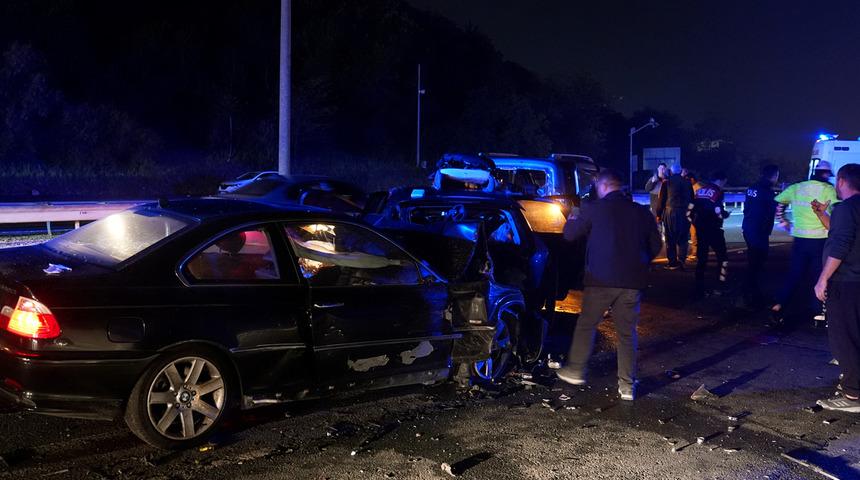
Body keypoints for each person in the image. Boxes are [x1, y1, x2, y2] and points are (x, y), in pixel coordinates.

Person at [556, 168, 662, 401]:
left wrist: (573, 216)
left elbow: (570, 235)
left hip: (600, 280)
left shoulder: (593, 209)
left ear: (603, 186)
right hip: (632, 282)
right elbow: (655, 246)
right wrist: (639, 262)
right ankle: (626, 386)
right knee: (626, 334)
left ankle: (575, 370)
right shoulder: (641, 212)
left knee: (587, 324)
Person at [815, 164, 860, 412]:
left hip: (846, 281)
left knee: (844, 338)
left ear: (842, 181)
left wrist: (823, 279)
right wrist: (823, 215)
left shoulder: (845, 208)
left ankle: (853, 395)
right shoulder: (850, 211)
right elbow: (844, 233)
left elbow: (841, 245)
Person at [770, 161, 838, 325]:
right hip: (820, 241)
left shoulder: (797, 187)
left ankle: (778, 306)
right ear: (826, 174)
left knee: (794, 274)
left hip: (800, 240)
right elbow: (837, 211)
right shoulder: (828, 189)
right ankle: (818, 314)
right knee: (819, 277)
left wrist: (783, 221)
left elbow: (779, 203)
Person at [742, 165, 780, 308]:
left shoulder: (752, 188)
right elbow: (771, 212)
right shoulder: (768, 192)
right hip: (759, 231)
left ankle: (750, 292)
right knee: (757, 263)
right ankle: (750, 294)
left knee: (753, 261)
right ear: (774, 175)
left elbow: (747, 207)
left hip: (748, 227)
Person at [690, 171, 730, 298]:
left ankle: (698, 287)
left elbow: (690, 209)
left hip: (701, 228)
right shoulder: (718, 191)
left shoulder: (699, 191)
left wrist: (695, 223)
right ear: (721, 180)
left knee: (702, 259)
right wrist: (724, 215)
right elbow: (717, 211)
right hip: (714, 229)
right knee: (723, 259)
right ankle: (721, 285)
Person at [656, 163, 695, 270]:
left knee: (670, 237)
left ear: (671, 172)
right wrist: (691, 213)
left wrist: (658, 214)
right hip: (684, 212)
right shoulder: (688, 183)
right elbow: (692, 200)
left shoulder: (666, 183)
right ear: (680, 171)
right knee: (683, 238)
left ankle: (672, 262)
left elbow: (661, 201)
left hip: (670, 212)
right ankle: (682, 260)